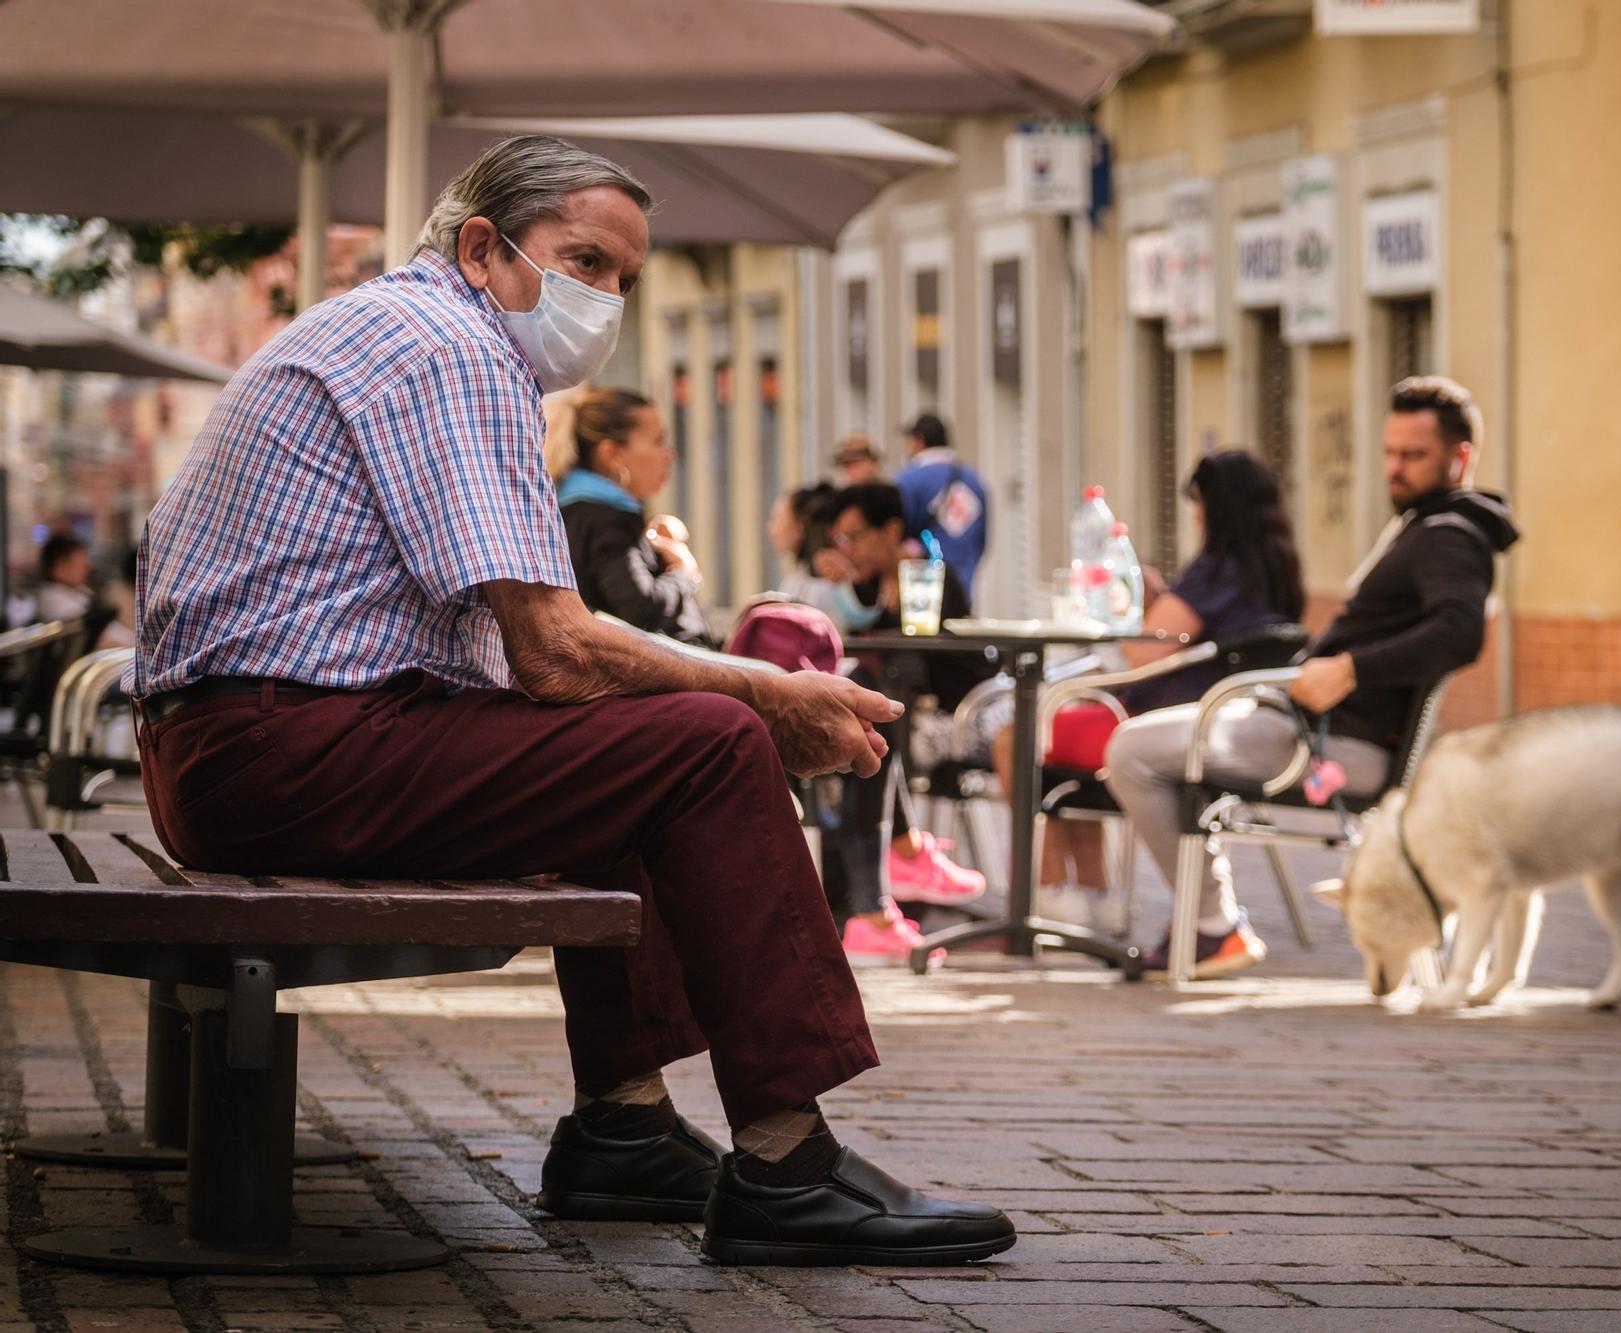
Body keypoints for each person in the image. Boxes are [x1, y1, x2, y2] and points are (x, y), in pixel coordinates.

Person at [128, 134, 1014, 1267]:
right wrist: (764, 694)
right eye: (583, 262)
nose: (602, 301)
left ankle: (626, 1126)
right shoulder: (446, 349)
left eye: (623, 281)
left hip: (247, 749)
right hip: (275, 749)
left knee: (631, 746)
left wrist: (720, 683)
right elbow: (551, 651)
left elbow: (540, 656)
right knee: (701, 743)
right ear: (484, 246)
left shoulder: (408, 331)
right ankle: (786, 1164)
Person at [1105, 377, 1521, 980]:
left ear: (1462, 458)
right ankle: (1206, 922)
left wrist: (1351, 668)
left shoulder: (1449, 536)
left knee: (1130, 749)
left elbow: (1460, 633)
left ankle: (1212, 926)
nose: (1395, 468)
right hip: (1301, 726)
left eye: (1414, 456)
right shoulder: (1425, 524)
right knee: (1143, 740)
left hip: (1334, 744)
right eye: (1389, 453)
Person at [992, 451, 1306, 933]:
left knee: (1021, 736)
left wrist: (1145, 599)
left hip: (1171, 718)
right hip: (1220, 714)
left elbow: (1147, 650)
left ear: (1219, 507)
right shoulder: (1277, 570)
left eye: (1200, 503)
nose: (1195, 514)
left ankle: (1052, 892)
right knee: (1062, 737)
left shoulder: (1219, 570)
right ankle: (1096, 897)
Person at [813, 482, 988, 960]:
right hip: (896, 716)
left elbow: (923, 658)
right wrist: (842, 587)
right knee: (860, 727)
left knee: (870, 727)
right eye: (840, 540)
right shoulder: (861, 582)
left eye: (855, 537)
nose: (848, 550)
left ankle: (879, 895)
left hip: (950, 717)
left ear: (891, 530)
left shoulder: (932, 575)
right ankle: (891, 876)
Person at [555, 387, 715, 647]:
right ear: (612, 455)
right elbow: (639, 608)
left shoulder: (581, 512)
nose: (669, 454)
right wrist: (683, 574)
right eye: (658, 440)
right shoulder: (605, 519)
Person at [894, 413, 987, 596]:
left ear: (919, 440)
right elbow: (981, 540)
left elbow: (896, 534)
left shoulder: (909, 480)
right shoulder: (973, 480)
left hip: (922, 587)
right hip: (963, 585)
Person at [766, 483, 847, 625]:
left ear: (801, 523)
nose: (771, 529)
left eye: (777, 517)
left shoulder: (827, 583)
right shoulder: (798, 576)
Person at [35, 533, 95, 623]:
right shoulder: (53, 600)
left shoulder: (77, 589)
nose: (87, 569)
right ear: (60, 568)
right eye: (80, 565)